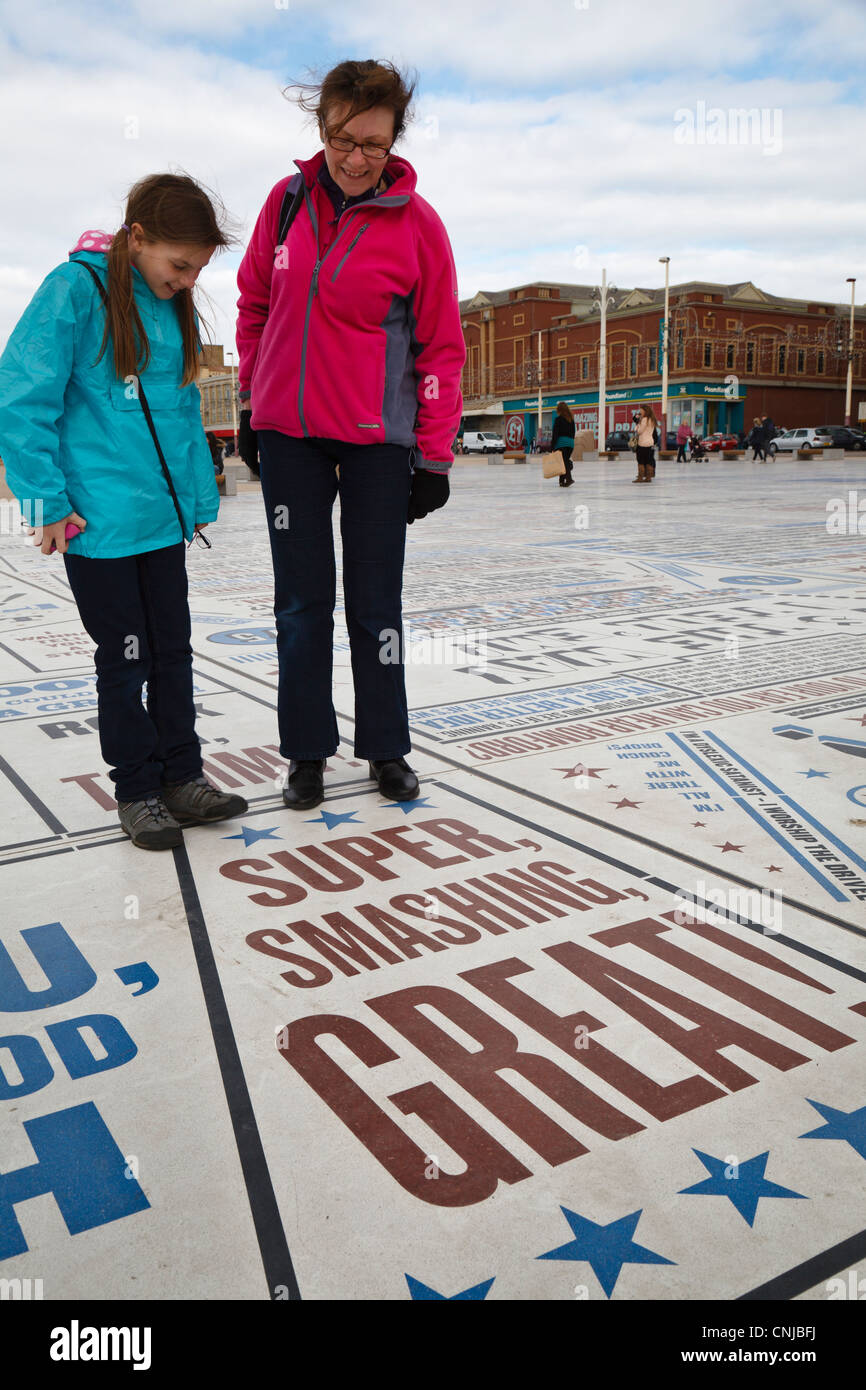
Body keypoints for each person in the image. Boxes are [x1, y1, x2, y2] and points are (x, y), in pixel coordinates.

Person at [236, 59, 465, 812]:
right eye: (341, 138)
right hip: (290, 439)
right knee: (300, 605)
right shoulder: (286, 204)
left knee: (376, 605)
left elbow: (439, 349)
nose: (355, 156)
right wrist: (250, 401)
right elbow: (255, 308)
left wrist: (432, 455)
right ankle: (306, 752)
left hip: (375, 445)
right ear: (322, 130)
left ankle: (387, 747)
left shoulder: (420, 226)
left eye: (372, 141)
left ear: (395, 138)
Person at [0, 174, 248, 850]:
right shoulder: (75, 291)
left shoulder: (174, 305)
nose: (187, 277)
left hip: (160, 521)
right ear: (136, 238)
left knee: (171, 650)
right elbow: (22, 398)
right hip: (98, 522)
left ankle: (183, 776)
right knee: (126, 656)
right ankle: (138, 789)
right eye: (178, 264)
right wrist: (45, 503)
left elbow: (179, 412)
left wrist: (195, 500)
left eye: (198, 267)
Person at [552, 401, 576, 487]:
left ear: (559, 409)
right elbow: (573, 432)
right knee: (563, 461)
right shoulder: (571, 419)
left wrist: (552, 446)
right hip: (570, 443)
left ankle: (569, 479)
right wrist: (571, 442)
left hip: (561, 443)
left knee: (563, 462)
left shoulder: (558, 420)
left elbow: (555, 434)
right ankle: (561, 481)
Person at [633, 405, 658, 483]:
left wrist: (637, 426)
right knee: (649, 460)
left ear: (645, 411)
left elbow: (640, 431)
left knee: (640, 460)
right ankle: (648, 477)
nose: (640, 412)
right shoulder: (652, 419)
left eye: (641, 411)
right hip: (650, 443)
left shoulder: (644, 420)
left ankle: (640, 477)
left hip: (643, 443)